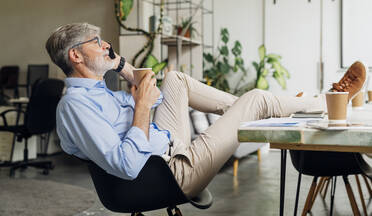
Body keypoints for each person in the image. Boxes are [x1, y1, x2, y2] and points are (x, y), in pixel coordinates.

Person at [45, 23, 366, 198]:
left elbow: (155, 94)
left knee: (175, 79)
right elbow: (127, 165)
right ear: (76, 55)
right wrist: (141, 104)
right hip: (170, 174)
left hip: (170, 145)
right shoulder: (75, 106)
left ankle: (275, 107)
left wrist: (124, 66)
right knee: (253, 99)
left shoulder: (102, 90)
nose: (105, 45)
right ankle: (324, 101)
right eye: (96, 41)